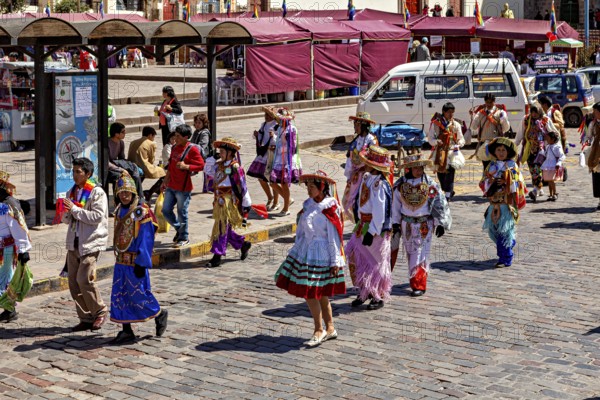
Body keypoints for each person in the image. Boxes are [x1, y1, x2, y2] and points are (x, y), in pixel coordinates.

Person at [274, 170, 346, 346]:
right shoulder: (308, 205)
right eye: (308, 187)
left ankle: (319, 329)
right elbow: (301, 230)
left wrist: (335, 260)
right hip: (306, 252)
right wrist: (297, 247)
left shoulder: (329, 208)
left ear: (322, 188)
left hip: (322, 254)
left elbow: (334, 236)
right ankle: (329, 328)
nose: (309, 190)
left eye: (312, 187)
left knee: (313, 293)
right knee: (317, 293)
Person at [109, 171, 168, 344]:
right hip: (121, 261)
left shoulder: (142, 212)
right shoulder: (120, 210)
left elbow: (146, 238)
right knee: (120, 296)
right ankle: (126, 329)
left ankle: (159, 313)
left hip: (135, 262)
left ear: (134, 192)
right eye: (121, 192)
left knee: (139, 295)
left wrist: (142, 261)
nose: (124, 195)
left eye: (127, 192)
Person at [60, 158, 109, 332]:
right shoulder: (71, 193)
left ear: (88, 174)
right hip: (73, 243)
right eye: (73, 171)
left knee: (84, 279)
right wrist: (65, 213)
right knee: (73, 283)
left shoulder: (97, 193)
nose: (74, 175)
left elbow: (96, 217)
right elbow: (69, 219)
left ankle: (100, 311)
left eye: (78, 172)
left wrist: (74, 210)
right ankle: (85, 317)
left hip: (90, 242)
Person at [392, 154, 451, 297]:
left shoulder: (430, 184)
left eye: (421, 167)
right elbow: (395, 205)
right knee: (411, 252)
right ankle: (415, 279)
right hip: (406, 224)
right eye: (415, 168)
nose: (419, 170)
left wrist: (440, 223)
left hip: (424, 223)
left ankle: (419, 284)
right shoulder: (400, 185)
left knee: (421, 253)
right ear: (409, 169)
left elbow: (439, 203)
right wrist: (395, 223)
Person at [345, 146, 393, 310]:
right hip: (362, 225)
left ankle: (377, 295)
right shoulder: (366, 178)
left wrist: (372, 232)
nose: (363, 164)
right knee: (358, 257)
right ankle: (364, 290)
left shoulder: (379, 184)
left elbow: (380, 212)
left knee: (376, 261)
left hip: (374, 228)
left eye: (367, 161)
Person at [204, 137, 252, 268]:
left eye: (223, 151)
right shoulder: (219, 165)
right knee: (225, 228)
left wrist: (246, 202)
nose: (220, 153)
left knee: (220, 227)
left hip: (228, 202)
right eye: (220, 151)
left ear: (230, 153)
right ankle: (242, 244)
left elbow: (242, 185)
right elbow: (208, 172)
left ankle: (217, 256)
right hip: (218, 200)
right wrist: (211, 160)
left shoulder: (235, 167)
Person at [480, 138, 527, 268]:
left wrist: (507, 181)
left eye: (503, 150)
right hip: (493, 203)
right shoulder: (491, 165)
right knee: (493, 230)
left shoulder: (513, 165)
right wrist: (490, 181)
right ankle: (509, 244)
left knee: (504, 231)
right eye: (498, 150)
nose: (501, 152)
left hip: (506, 204)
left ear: (508, 151)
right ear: (494, 151)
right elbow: (483, 182)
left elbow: (519, 183)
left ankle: (505, 258)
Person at [161, 124, 205, 248]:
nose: (176, 138)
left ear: (186, 137)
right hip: (171, 185)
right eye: (175, 135)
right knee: (165, 210)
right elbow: (170, 165)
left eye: (179, 136)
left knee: (182, 213)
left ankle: (184, 237)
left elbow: (201, 165)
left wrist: (187, 166)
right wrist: (165, 180)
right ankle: (179, 229)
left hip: (183, 188)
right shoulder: (174, 147)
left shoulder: (192, 149)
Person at [0, 171, 31, 323]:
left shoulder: (9, 205)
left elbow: (19, 228)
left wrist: (23, 250)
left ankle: (9, 309)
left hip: (5, 250)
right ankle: (9, 309)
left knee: (5, 279)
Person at [515, 104, 560, 202]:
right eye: (532, 112)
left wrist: (556, 148)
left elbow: (555, 133)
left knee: (537, 169)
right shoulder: (526, 119)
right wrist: (515, 146)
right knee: (532, 169)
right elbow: (520, 133)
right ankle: (539, 188)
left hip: (542, 150)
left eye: (536, 112)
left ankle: (535, 190)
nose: (534, 114)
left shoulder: (545, 120)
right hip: (529, 149)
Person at [342, 112, 378, 221]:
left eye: (357, 125)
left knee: (366, 202)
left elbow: (375, 160)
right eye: (355, 125)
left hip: (368, 177)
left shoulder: (372, 141)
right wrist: (349, 176)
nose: (355, 127)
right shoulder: (355, 141)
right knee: (348, 201)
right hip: (356, 177)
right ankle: (358, 223)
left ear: (364, 126)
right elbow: (349, 160)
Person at [428, 102, 465, 200]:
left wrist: (459, 144)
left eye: (452, 112)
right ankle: (448, 190)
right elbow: (430, 139)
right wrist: (436, 142)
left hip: (452, 151)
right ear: (443, 112)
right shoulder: (436, 124)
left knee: (450, 172)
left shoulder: (456, 124)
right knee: (441, 173)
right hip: (440, 152)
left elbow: (461, 139)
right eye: (449, 112)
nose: (451, 114)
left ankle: (448, 195)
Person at [269, 107, 302, 216]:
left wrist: (280, 148)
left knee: (283, 183)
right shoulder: (280, 129)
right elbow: (278, 141)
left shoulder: (292, 129)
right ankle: (288, 199)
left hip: (287, 160)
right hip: (279, 158)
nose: (278, 120)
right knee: (273, 183)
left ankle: (286, 208)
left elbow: (292, 147)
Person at [248, 107, 280, 211]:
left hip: (272, 153)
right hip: (263, 153)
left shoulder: (277, 125)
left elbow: (279, 139)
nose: (266, 117)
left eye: (268, 115)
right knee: (260, 177)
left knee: (272, 178)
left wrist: (273, 137)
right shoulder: (264, 125)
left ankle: (276, 201)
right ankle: (269, 197)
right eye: (265, 115)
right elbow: (261, 137)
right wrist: (257, 135)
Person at [470, 93, 510, 170]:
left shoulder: (500, 112)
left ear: (494, 101)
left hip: (496, 144)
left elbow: (506, 128)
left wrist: (504, 119)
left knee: (497, 166)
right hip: (484, 143)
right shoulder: (480, 113)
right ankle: (486, 182)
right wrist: (474, 117)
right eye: (487, 102)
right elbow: (473, 127)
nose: (488, 104)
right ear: (485, 102)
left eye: (490, 102)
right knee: (486, 167)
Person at [583, 102, 600, 210]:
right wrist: (587, 144)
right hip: (596, 152)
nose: (594, 113)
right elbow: (588, 136)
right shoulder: (593, 124)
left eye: (596, 111)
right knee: (598, 177)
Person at [190, 114, 213, 193]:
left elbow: (203, 145)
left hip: (205, 155)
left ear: (204, 123)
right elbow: (192, 142)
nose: (197, 124)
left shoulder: (205, 133)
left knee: (208, 173)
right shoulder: (196, 132)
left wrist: (193, 149)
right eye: (196, 123)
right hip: (196, 153)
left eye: (199, 123)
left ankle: (209, 188)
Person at [541, 131, 566, 201]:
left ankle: (555, 193)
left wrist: (558, 163)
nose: (547, 139)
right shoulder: (548, 146)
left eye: (548, 138)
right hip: (547, 165)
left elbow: (562, 156)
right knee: (549, 180)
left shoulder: (557, 147)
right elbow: (546, 155)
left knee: (551, 180)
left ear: (553, 139)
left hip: (553, 165)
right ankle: (551, 194)